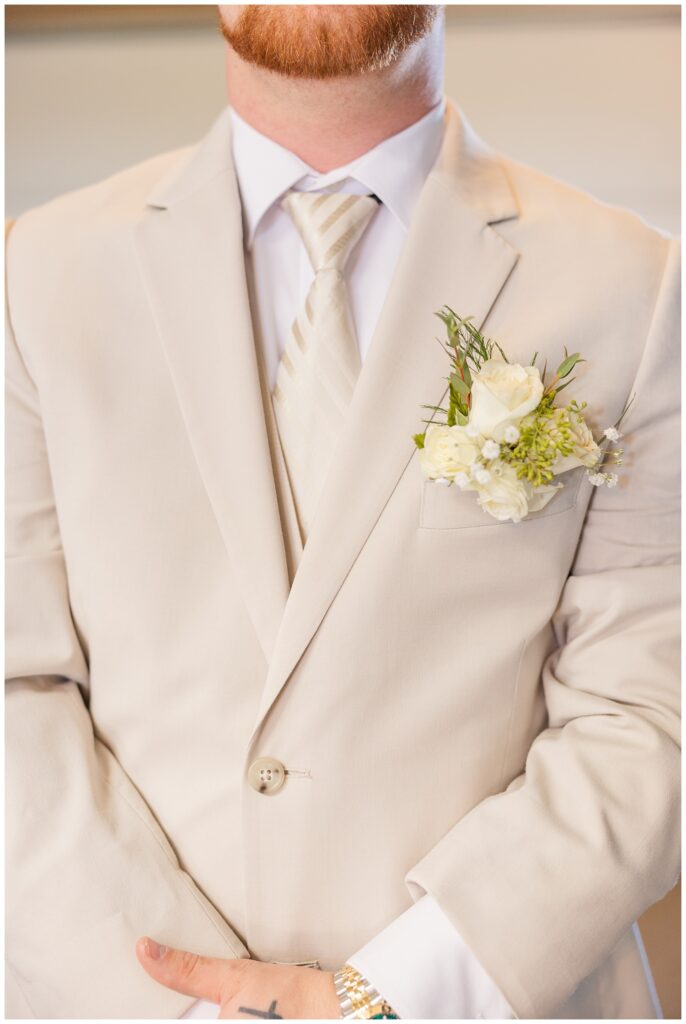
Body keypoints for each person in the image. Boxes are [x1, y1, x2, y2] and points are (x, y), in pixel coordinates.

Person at [5, 4, 679, 1020]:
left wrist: (389, 996)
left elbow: (649, 710)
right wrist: (191, 1009)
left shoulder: (639, 282)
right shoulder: (33, 276)